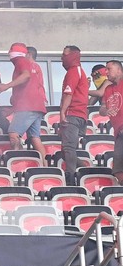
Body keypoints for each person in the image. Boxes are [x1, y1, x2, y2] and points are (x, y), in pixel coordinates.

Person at [0, 42, 47, 164]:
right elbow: (29, 89)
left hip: (28, 107)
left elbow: (25, 76)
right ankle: (45, 165)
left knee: (13, 134)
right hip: (38, 106)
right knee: (35, 138)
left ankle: (19, 162)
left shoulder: (22, 61)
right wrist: (14, 108)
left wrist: (6, 86)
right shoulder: (36, 67)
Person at [59, 45, 90, 184]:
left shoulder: (73, 71)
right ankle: (87, 170)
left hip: (73, 113)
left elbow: (68, 93)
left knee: (68, 148)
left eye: (64, 55)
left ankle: (70, 178)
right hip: (81, 115)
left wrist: (62, 112)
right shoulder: (80, 71)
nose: (61, 58)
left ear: (73, 56)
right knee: (65, 150)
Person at [101, 60, 123, 185]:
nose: (106, 72)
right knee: (118, 171)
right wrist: (106, 110)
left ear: (119, 70)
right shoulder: (108, 89)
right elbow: (102, 109)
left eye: (109, 69)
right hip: (118, 133)